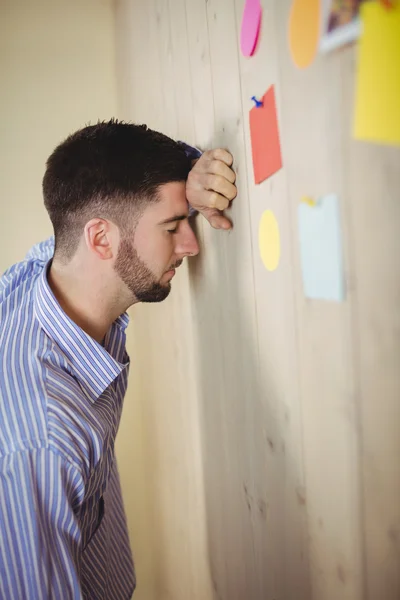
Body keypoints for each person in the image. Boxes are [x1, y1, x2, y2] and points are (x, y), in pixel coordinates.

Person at [0, 120, 237, 599]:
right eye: (174, 227)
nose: (190, 246)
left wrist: (191, 170)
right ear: (102, 240)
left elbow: (104, 176)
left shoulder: (46, 273)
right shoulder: (43, 445)